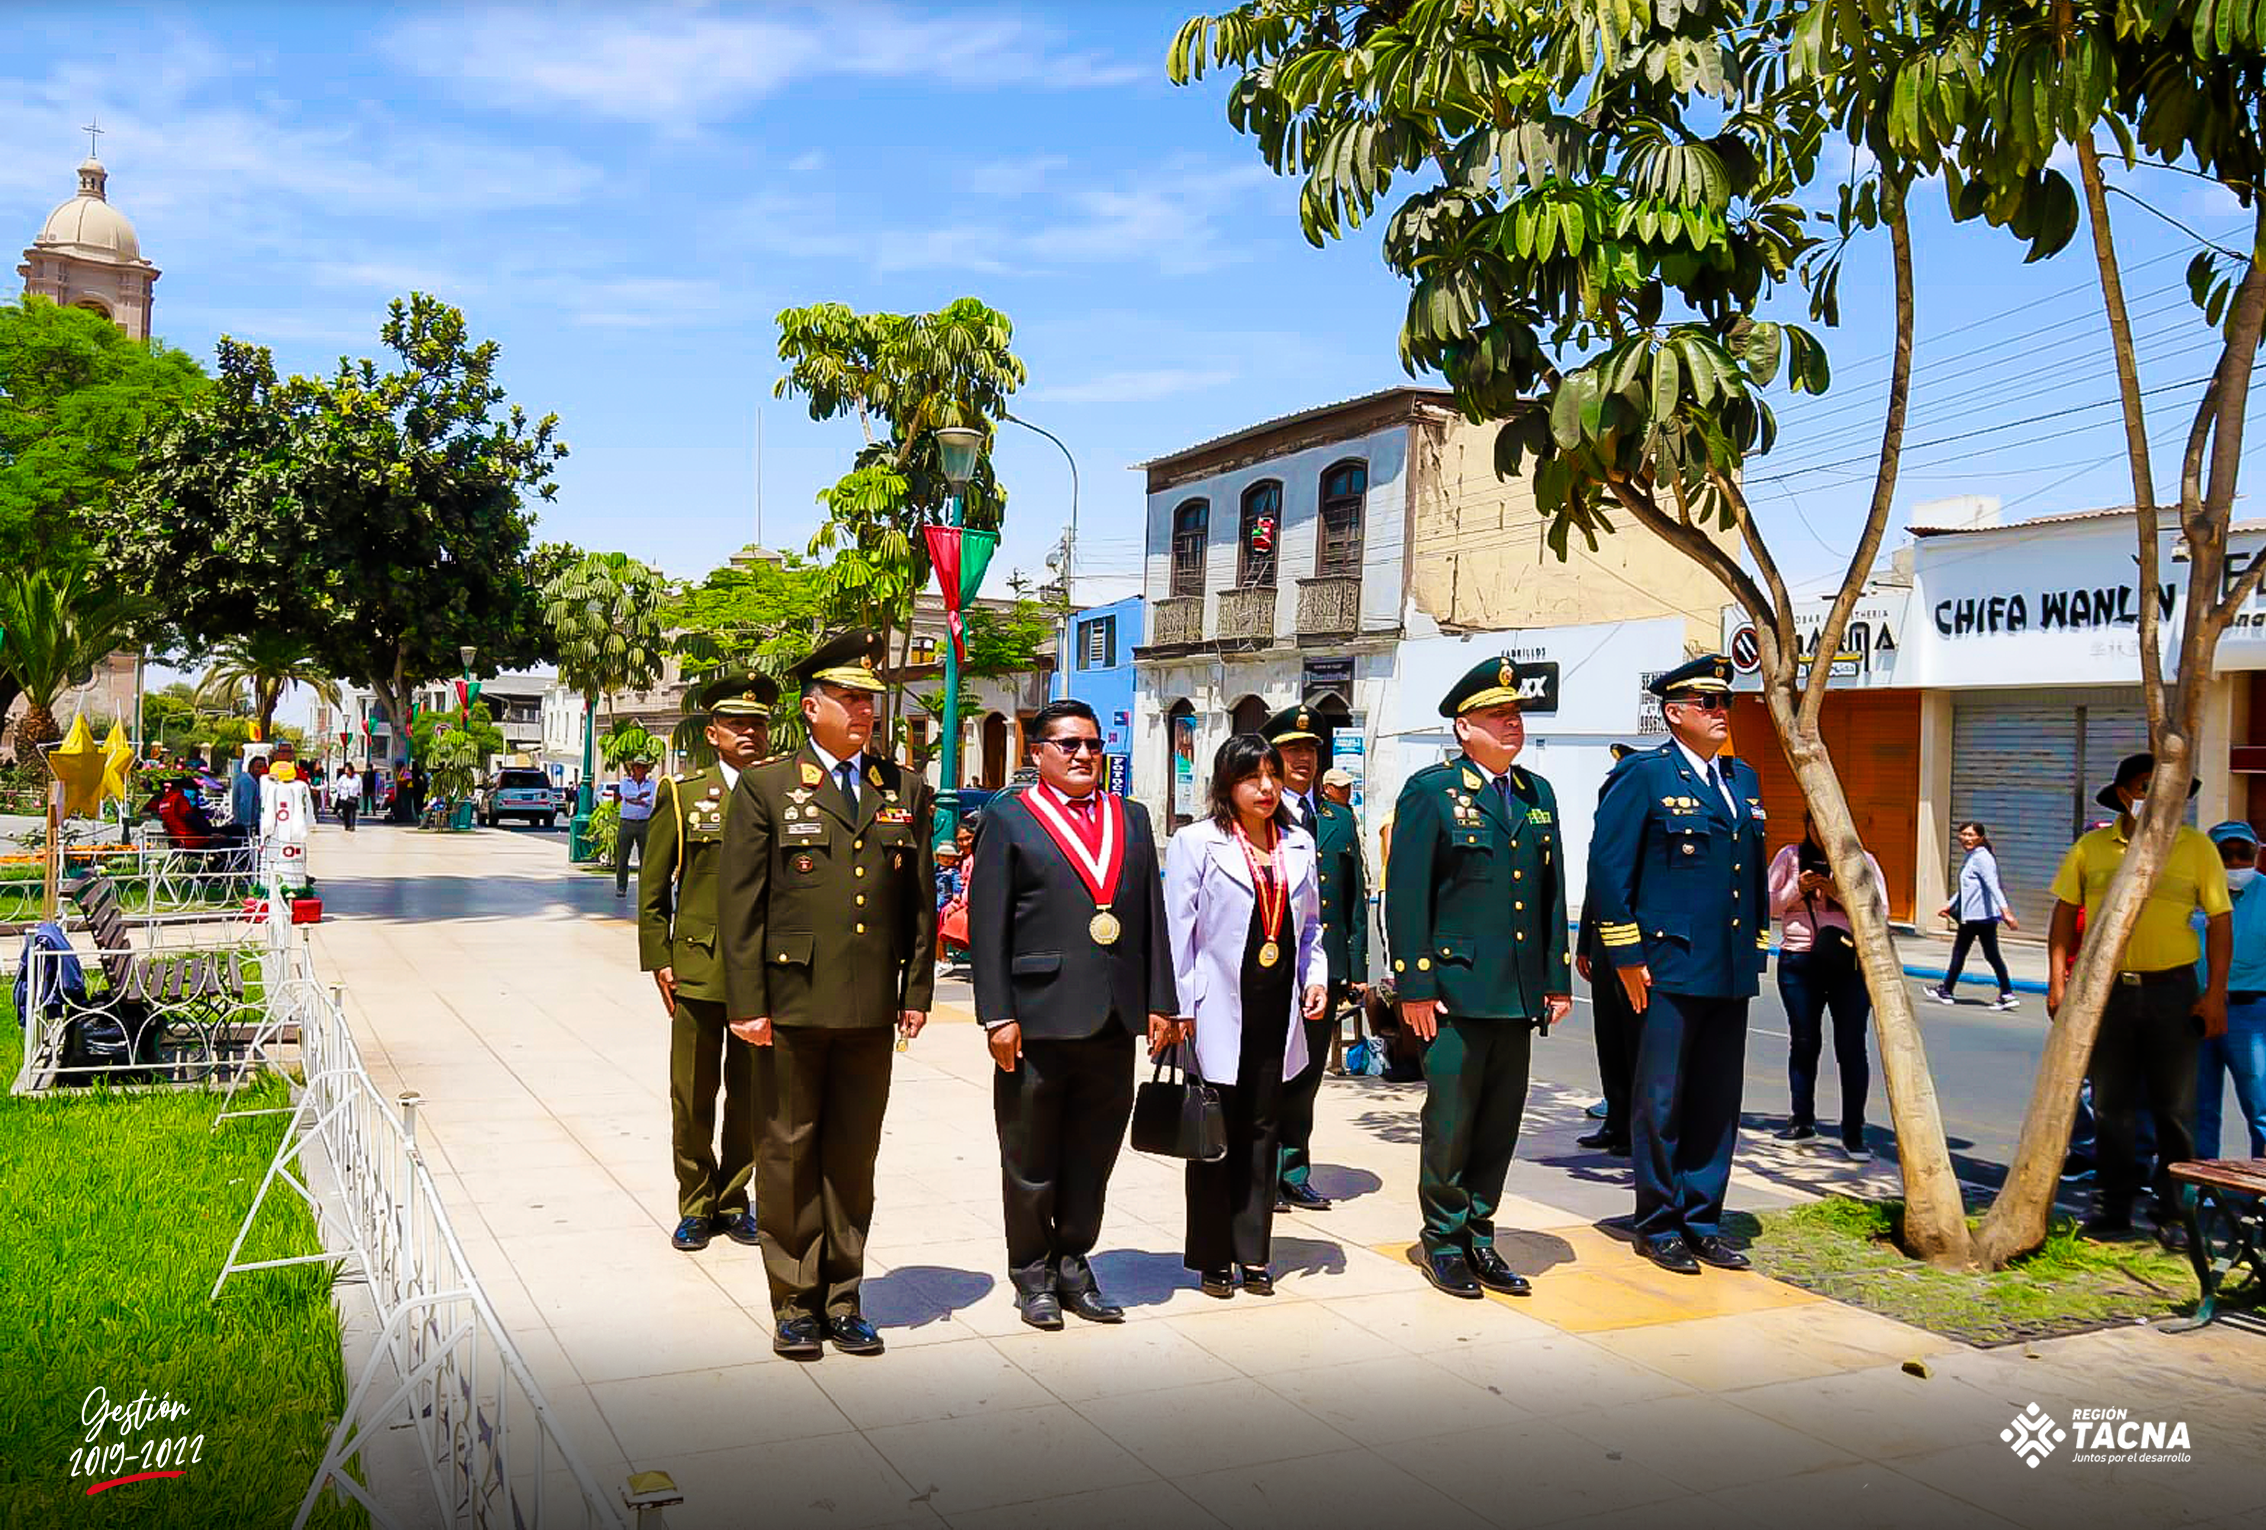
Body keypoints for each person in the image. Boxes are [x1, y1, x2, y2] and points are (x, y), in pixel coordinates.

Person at [720, 629, 936, 1359]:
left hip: (871, 1007)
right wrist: (745, 1002)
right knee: (785, 1151)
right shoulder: (766, 787)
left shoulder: (901, 788)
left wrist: (917, 988)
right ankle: (795, 1300)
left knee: (852, 1156)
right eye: (849, 698)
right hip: (789, 1001)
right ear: (812, 709)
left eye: (870, 700)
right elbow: (740, 907)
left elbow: (919, 905)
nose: (865, 712)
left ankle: (844, 1297)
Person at [968, 699, 1178, 1329]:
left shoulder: (1131, 818)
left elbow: (1153, 917)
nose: (1085, 754)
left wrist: (1161, 1002)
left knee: (1093, 1154)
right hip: (1035, 1017)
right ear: (1039, 754)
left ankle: (1074, 1263)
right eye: (1068, 745)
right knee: (1031, 1156)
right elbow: (988, 925)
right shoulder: (1009, 817)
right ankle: (1031, 1273)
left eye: (1092, 743)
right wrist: (996, 1015)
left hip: (1113, 1017)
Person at [1386, 656, 1571, 1298]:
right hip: (1455, 991)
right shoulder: (1431, 791)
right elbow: (1406, 896)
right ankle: (1442, 1241)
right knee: (1452, 1122)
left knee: (1499, 1122)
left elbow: (1551, 894)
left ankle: (1480, 1234)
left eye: (1516, 714)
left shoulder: (1536, 794)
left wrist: (1556, 979)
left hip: (1515, 993)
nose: (1512, 724)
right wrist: (1414, 986)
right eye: (1498, 716)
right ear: (1465, 728)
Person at [1587, 655, 1768, 1276]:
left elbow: (1751, 873)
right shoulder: (1643, 776)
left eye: (1727, 704)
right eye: (1708, 704)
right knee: (1660, 1100)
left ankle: (1702, 1219)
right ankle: (1658, 1222)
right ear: (1675, 713)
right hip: (1667, 964)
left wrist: (1757, 949)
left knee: (1717, 1101)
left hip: (1729, 966)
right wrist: (1625, 955)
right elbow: (1610, 871)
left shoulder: (1743, 779)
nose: (1722, 714)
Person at [1164, 734, 1328, 1298]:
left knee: (1264, 1129)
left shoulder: (1299, 843)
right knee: (1215, 1132)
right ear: (1226, 785)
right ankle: (1212, 1255)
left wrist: (1315, 976)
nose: (1265, 789)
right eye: (1251, 778)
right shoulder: (1196, 842)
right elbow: (1178, 930)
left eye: (1272, 777)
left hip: (1276, 1005)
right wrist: (1177, 1008)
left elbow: (1310, 928)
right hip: (1216, 1006)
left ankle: (1253, 1252)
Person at [2048, 752, 2229, 1247]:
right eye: (2145, 785)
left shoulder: (2196, 848)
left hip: (2174, 991)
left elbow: (2219, 922)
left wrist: (2214, 994)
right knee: (2112, 1108)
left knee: (2175, 1110)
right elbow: (2064, 912)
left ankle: (2175, 1214)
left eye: (2164, 786)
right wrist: (2057, 980)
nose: (2153, 795)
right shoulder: (2092, 847)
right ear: (2124, 793)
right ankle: (2112, 1210)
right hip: (2108, 994)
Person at [641, 674, 774, 1254]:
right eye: (737, 724)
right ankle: (695, 1202)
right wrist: (658, 957)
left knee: (750, 1093)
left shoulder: (781, 794)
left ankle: (734, 1197)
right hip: (698, 963)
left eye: (758, 724)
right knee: (692, 1091)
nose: (749, 732)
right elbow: (653, 889)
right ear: (713, 732)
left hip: (764, 968)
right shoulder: (683, 795)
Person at [1262, 700, 1368, 1210]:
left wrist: (1355, 970)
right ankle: (1261, 1170)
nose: (1302, 759)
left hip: (1321, 973)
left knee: (1305, 1078)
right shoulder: (1260, 812)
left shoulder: (1337, 819)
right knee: (1265, 1072)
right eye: (1291, 750)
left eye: (1310, 749)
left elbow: (1352, 901)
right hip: (1267, 968)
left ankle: (1293, 1167)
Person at [1767, 812, 1885, 1161]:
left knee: (1851, 1045)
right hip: (1800, 960)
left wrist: (1840, 892)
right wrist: (1797, 889)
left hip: (1848, 962)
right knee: (1803, 1041)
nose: (1823, 831)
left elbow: (1881, 911)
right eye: (1816, 824)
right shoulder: (1789, 857)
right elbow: (1768, 905)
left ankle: (1854, 1131)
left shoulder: (1863, 861)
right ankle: (1802, 1122)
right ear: (1807, 826)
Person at [1574, 743, 1642, 1157]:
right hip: (1602, 945)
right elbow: (1596, 885)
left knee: (1635, 1041)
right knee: (1610, 1038)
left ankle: (1636, 1125)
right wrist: (1585, 943)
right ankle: (1616, 1120)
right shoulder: (1608, 825)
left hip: (1630, 946)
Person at [2196, 820, 2266, 1160]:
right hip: (2194, 1010)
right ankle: (2198, 1190)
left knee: (2261, 1105)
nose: (2237, 863)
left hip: (2250, 1013)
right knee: (2198, 1107)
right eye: (2227, 854)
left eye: (2245, 854)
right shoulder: (2191, 894)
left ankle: (2261, 1189)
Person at [1929, 821, 2019, 1009]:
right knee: (1990, 955)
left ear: (1981, 837)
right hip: (1976, 916)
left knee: (1961, 953)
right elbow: (1967, 888)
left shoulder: (1981, 858)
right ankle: (2006, 993)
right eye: (1964, 834)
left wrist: (2007, 913)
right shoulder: (1973, 857)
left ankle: (1946, 991)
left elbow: (1993, 886)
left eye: (1971, 835)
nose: (1967, 839)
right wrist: (1949, 905)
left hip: (1978, 917)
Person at [260, 744, 315, 890]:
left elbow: (306, 799)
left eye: (289, 752)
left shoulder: (299, 775)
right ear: (276, 754)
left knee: (294, 858)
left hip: (293, 829)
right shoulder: (266, 775)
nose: (286, 755)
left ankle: (297, 879)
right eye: (282, 752)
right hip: (273, 829)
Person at [615, 757, 658, 898]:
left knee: (645, 858)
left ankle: (644, 887)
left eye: (643, 767)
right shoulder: (625, 782)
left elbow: (651, 799)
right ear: (633, 769)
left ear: (646, 769)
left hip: (644, 823)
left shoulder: (652, 784)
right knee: (622, 857)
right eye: (637, 767)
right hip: (627, 822)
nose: (640, 769)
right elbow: (626, 795)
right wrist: (640, 798)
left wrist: (637, 799)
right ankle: (621, 886)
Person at [330, 762, 361, 834]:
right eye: (346, 770)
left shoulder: (357, 777)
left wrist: (358, 793)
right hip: (344, 797)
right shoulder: (343, 778)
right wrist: (340, 793)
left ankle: (352, 825)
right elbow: (338, 786)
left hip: (353, 796)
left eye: (348, 770)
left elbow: (360, 786)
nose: (346, 772)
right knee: (345, 812)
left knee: (353, 812)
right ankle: (347, 825)